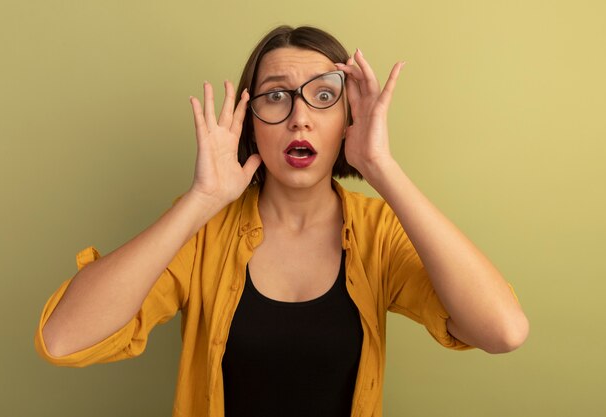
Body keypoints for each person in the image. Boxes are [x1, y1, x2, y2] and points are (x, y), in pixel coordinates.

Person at [35, 25, 529, 417]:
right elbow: (63, 339)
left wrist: (382, 168)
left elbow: (503, 331)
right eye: (275, 95)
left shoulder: (378, 231)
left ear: (348, 119)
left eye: (323, 96)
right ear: (249, 121)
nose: (299, 117)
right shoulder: (203, 231)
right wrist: (200, 199)